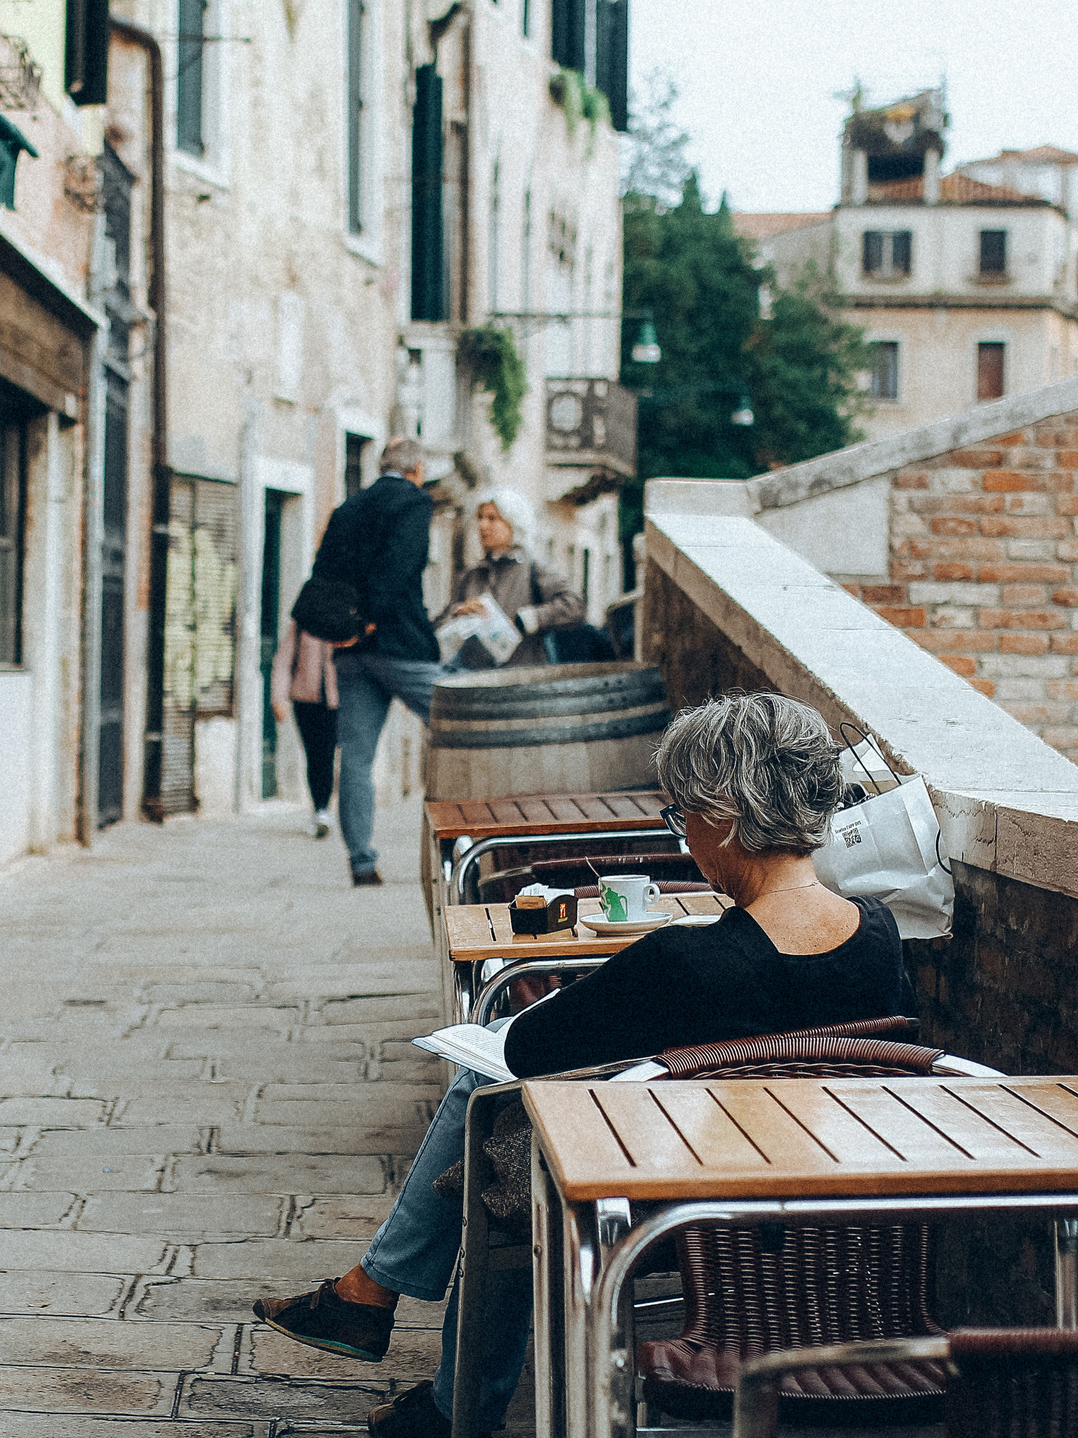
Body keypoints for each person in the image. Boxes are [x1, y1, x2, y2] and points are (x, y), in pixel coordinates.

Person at [251, 693, 913, 1438]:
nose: (685, 836)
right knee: (508, 1146)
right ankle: (387, 1320)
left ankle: (419, 1357)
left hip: (675, 1205)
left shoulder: (683, 962)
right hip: (843, 1207)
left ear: (724, 815)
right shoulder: (881, 938)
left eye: (682, 815)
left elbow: (528, 1048)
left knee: (498, 1136)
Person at [311, 437, 442, 887]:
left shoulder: (348, 508)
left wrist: (352, 626)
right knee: (461, 724)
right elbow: (402, 568)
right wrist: (372, 619)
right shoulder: (413, 503)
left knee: (356, 758)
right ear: (417, 469)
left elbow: (324, 573)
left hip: (351, 650)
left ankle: (362, 863)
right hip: (399, 643)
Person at [440, 487, 583, 671]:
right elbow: (445, 624)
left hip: (522, 684)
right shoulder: (472, 575)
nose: (483, 525)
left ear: (513, 523)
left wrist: (524, 620)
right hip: (476, 684)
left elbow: (574, 605)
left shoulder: (533, 567)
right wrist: (460, 613)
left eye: (492, 518)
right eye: (480, 518)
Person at [270, 616, 341, 837]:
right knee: (314, 755)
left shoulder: (342, 620)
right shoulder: (301, 623)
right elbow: (283, 661)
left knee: (328, 754)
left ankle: (323, 808)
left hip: (336, 701)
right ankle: (319, 808)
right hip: (305, 700)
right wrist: (278, 698)